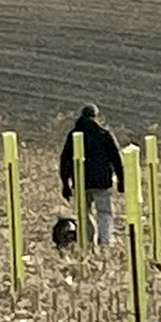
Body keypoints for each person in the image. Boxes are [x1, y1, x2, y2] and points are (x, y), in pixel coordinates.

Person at [58, 104, 126, 250]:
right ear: (95, 116)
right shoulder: (104, 134)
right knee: (104, 213)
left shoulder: (74, 135)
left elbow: (65, 160)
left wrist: (65, 183)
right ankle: (104, 242)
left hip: (81, 182)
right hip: (102, 182)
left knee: (84, 213)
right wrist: (121, 179)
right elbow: (116, 159)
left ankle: (88, 240)